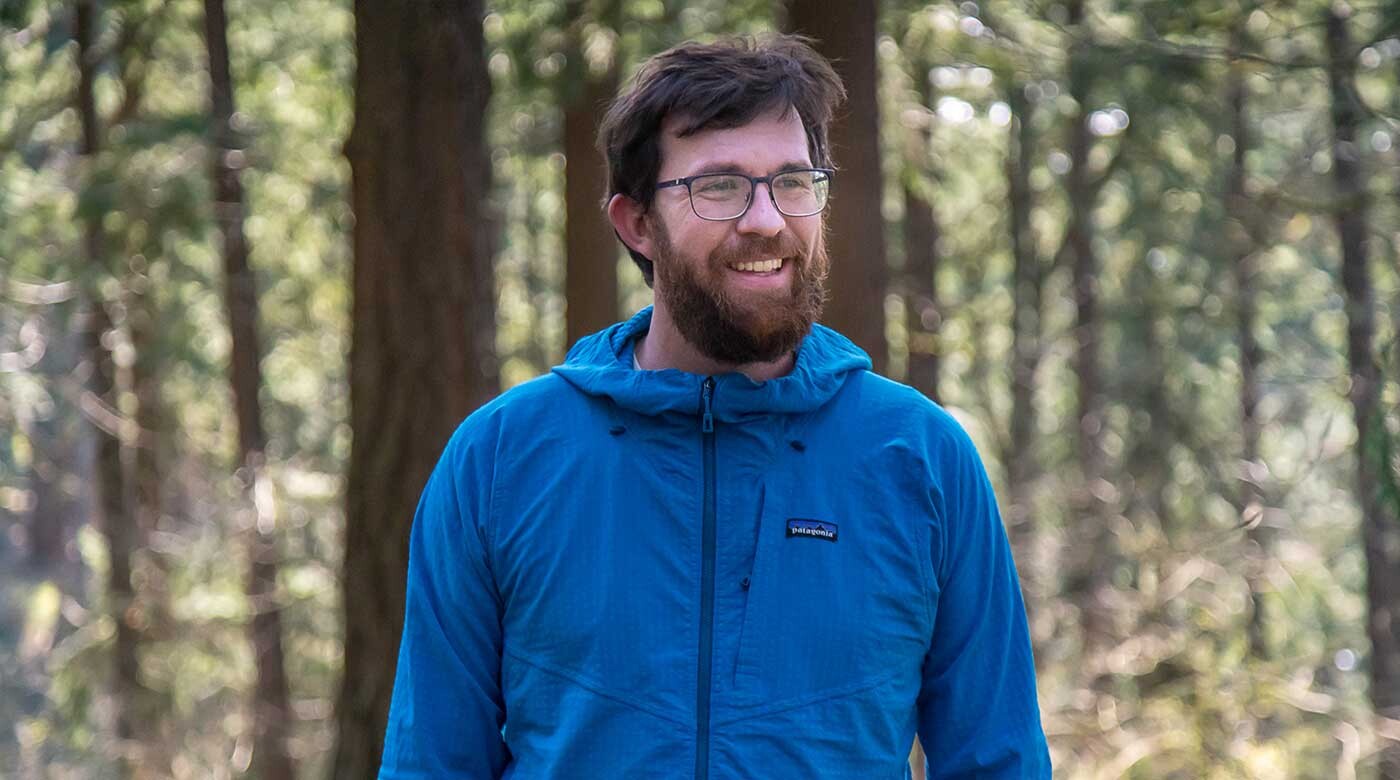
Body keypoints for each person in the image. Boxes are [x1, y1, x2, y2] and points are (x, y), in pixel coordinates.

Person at [378, 34, 1050, 779]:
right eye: (720, 186)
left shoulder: (921, 456)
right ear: (637, 223)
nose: (766, 219)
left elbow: (1000, 761)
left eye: (794, 182)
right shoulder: (501, 459)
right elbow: (431, 763)